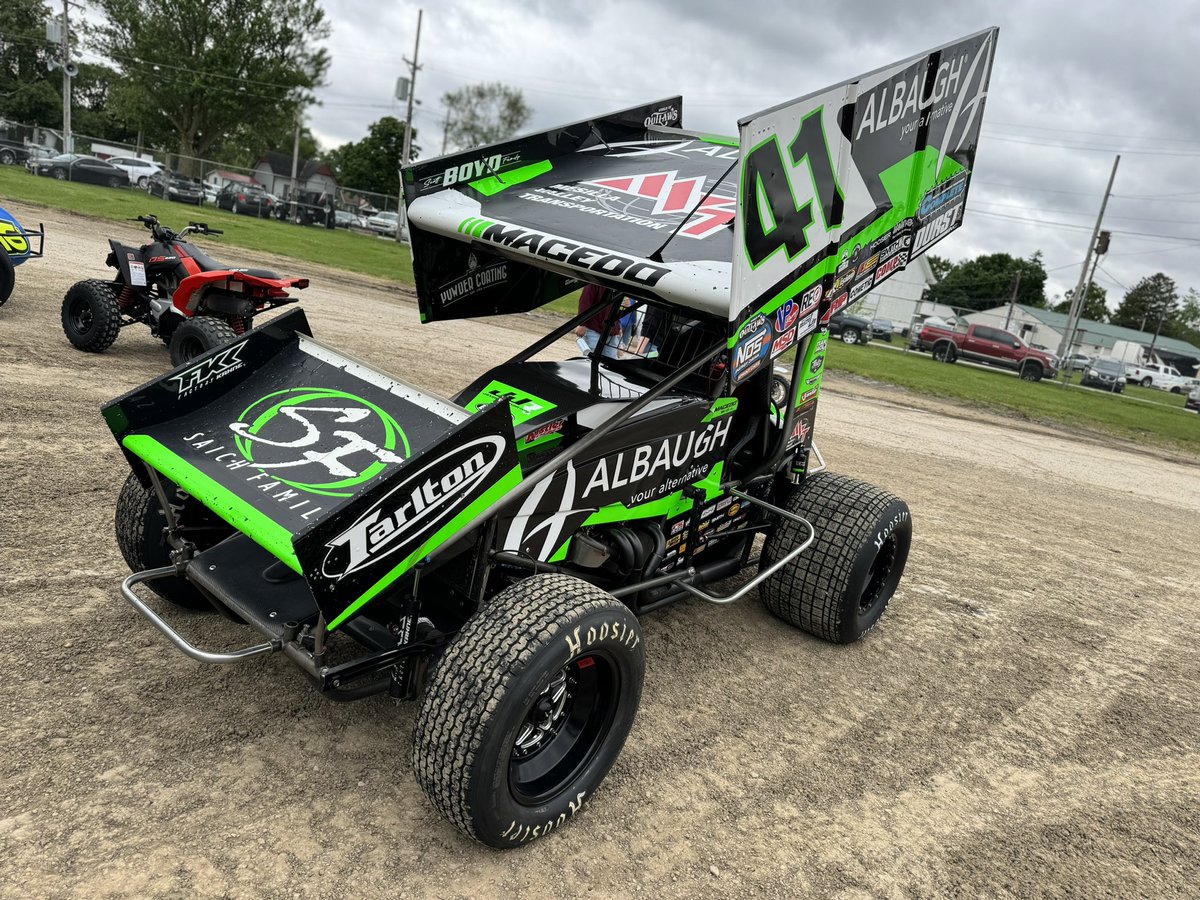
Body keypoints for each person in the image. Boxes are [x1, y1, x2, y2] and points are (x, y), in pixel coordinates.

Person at [575, 284, 621, 359]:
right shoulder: (595, 283)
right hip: (594, 329)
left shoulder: (618, 285)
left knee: (610, 364)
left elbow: (616, 308)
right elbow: (586, 301)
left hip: (611, 331)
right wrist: (582, 323)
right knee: (590, 360)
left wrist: (618, 326)